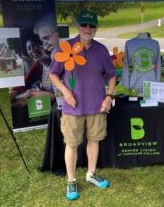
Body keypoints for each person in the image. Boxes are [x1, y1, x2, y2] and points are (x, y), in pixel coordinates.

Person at [49, 10, 116, 201]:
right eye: (84, 24)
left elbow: (111, 76)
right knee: (71, 144)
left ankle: (91, 173)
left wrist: (109, 96)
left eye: (91, 25)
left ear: (96, 28)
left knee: (94, 140)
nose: (88, 28)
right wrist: (66, 92)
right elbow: (53, 74)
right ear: (78, 26)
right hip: (73, 107)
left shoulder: (101, 50)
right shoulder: (66, 47)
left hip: (97, 106)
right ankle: (71, 180)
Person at [10, 30, 55, 106]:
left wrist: (48, 96)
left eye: (35, 45)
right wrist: (14, 92)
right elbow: (26, 81)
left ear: (43, 44)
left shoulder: (57, 61)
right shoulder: (39, 65)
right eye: (29, 48)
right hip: (48, 105)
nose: (33, 51)